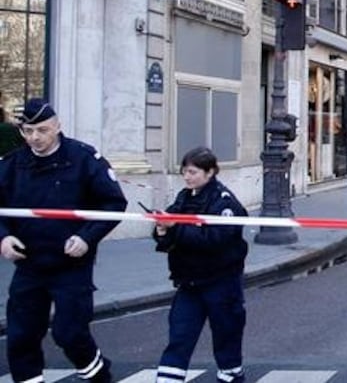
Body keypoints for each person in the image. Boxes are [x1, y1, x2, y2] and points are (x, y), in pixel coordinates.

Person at [0, 98, 128, 383]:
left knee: (69, 333)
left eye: (42, 130)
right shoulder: (11, 165)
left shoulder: (83, 159)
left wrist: (87, 237)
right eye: (28, 131)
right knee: (21, 335)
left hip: (71, 263)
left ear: (58, 126)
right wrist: (4, 237)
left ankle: (99, 376)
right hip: (29, 262)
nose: (35, 138)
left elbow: (113, 203)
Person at [152, 147, 249, 383]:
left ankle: (231, 372)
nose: (187, 177)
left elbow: (215, 239)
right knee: (180, 334)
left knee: (226, 333)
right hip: (189, 282)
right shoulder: (185, 197)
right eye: (185, 171)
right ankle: (168, 378)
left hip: (221, 282)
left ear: (210, 172)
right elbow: (170, 232)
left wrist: (176, 228)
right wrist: (162, 230)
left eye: (193, 172)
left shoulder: (224, 203)